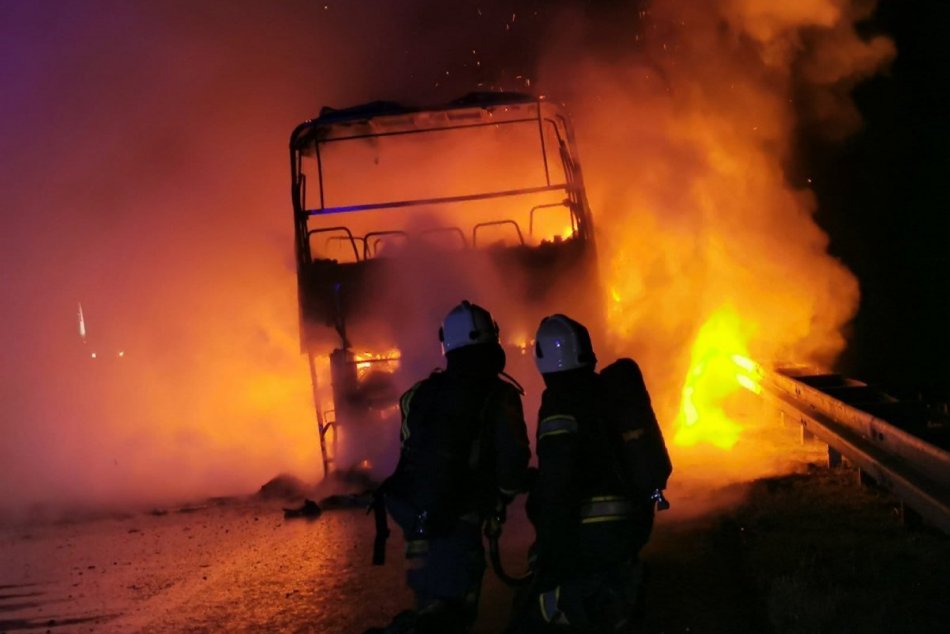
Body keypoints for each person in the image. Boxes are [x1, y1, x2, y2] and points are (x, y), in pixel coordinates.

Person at [372, 300, 532, 634]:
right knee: (450, 614)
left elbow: (409, 453)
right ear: (492, 338)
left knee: (432, 601)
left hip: (416, 518)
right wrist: (501, 497)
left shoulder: (418, 394)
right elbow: (512, 465)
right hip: (460, 519)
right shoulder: (500, 394)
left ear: (447, 343)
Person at [510, 314, 672, 633]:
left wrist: (550, 551)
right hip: (632, 527)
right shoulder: (608, 392)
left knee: (538, 613)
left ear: (542, 359)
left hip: (588, 536)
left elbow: (558, 481)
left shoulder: (560, 403)